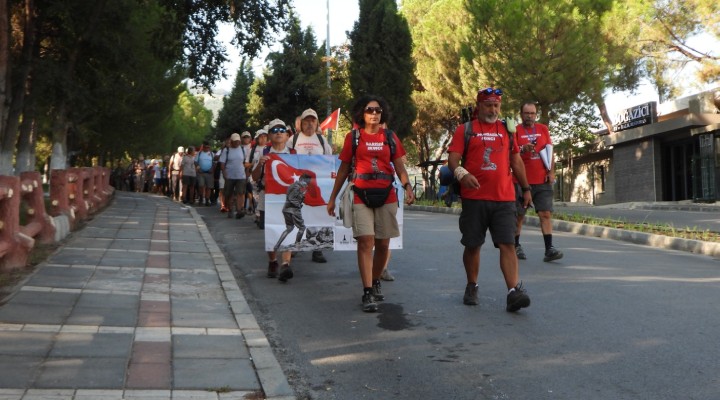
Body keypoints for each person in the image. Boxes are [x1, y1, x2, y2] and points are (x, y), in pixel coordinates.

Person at [326, 95, 415, 313]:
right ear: (362, 114)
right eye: (369, 110)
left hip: (387, 195)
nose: (374, 114)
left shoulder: (390, 137)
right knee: (366, 242)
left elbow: (400, 167)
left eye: (377, 110)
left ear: (382, 113)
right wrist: (332, 197)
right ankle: (367, 292)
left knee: (383, 245)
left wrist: (408, 187)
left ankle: (375, 280)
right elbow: (344, 169)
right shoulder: (354, 137)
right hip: (360, 194)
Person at [447, 87, 532, 312]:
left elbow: (516, 161)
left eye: (496, 105)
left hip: (504, 198)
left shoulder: (507, 130)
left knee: (508, 244)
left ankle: (513, 291)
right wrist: (462, 174)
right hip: (474, 199)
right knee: (473, 245)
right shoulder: (465, 130)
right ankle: (472, 285)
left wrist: (525, 188)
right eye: (488, 105)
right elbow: (453, 160)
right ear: (479, 106)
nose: (492, 109)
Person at [514, 102, 563, 262]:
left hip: (542, 179)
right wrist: (523, 149)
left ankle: (549, 249)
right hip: (521, 180)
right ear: (521, 114)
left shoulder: (543, 129)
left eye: (533, 113)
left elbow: (549, 150)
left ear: (536, 114)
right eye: (527, 113)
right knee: (519, 215)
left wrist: (551, 171)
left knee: (545, 213)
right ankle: (516, 246)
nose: (530, 116)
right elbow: (510, 153)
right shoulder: (515, 130)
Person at [252, 119, 295, 281]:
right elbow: (254, 177)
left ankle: (285, 264)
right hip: (268, 198)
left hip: (288, 198)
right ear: (270, 135)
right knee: (271, 230)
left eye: (282, 129)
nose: (279, 132)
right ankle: (273, 260)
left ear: (286, 135)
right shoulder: (263, 153)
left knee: (288, 229)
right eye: (275, 130)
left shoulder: (293, 154)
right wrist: (260, 165)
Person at [289, 108, 333, 263]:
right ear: (300, 123)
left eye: (312, 121)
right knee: (296, 215)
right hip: (297, 185)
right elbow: (284, 159)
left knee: (317, 216)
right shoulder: (293, 140)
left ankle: (317, 250)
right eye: (306, 121)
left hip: (316, 186)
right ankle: (293, 247)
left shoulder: (322, 141)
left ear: (317, 123)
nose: (309, 124)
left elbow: (330, 162)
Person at [273, 174, 312, 252]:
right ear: (302, 180)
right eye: (306, 183)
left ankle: (277, 246)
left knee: (289, 228)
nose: (307, 185)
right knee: (302, 228)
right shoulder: (296, 187)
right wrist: (299, 205)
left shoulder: (293, 186)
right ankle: (296, 246)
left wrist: (302, 195)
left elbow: (294, 198)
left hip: (286, 210)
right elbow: (292, 199)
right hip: (293, 210)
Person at [219, 133, 248, 219]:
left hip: (241, 175)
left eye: (238, 141)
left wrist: (246, 173)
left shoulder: (243, 149)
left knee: (240, 193)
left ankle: (239, 210)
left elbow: (245, 162)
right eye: (235, 141)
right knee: (229, 194)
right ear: (231, 141)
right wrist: (225, 174)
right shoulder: (226, 150)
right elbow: (222, 164)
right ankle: (230, 209)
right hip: (230, 176)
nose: (237, 143)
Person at [249, 127, 269, 226]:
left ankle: (260, 216)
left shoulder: (268, 149)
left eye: (265, 136)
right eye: (261, 137)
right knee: (256, 197)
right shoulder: (253, 150)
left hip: (264, 178)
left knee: (260, 197)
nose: (263, 139)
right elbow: (248, 163)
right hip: (255, 177)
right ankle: (257, 215)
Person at [196, 141, 215, 206]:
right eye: (205, 147)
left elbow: (214, 163)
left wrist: (212, 169)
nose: (207, 148)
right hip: (201, 173)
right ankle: (201, 198)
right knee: (201, 186)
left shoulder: (212, 154)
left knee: (209, 187)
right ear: (203, 147)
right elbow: (195, 162)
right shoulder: (199, 153)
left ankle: (207, 200)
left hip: (209, 173)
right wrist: (198, 168)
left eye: (208, 147)